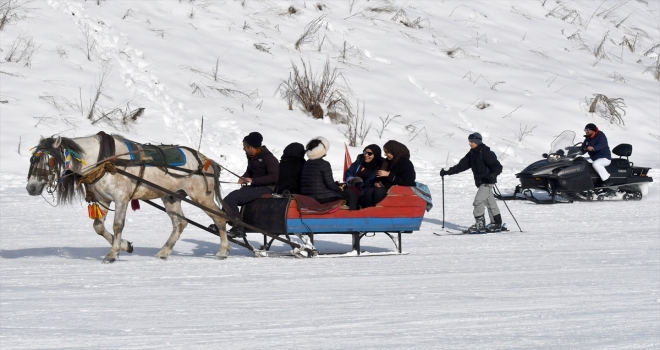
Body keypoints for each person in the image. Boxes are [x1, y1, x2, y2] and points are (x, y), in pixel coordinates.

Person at [440, 132, 503, 233]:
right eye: (469, 141)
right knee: (490, 202)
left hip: (487, 182)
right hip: (480, 182)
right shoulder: (472, 153)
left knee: (478, 201)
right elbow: (462, 165)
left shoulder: (485, 152)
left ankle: (480, 225)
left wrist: (492, 175)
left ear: (477, 141)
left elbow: (497, 166)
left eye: (472, 141)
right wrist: (448, 172)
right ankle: (496, 224)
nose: (470, 143)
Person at [222, 132, 279, 238]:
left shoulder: (269, 158)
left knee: (232, 198)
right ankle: (222, 222)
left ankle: (238, 226)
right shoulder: (252, 156)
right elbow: (250, 171)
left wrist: (253, 180)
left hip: (266, 188)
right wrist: (244, 177)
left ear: (251, 147)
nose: (243, 149)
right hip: (255, 187)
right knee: (228, 199)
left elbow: (274, 177)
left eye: (245, 147)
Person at [299, 136, 353, 206]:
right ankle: (348, 215)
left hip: (307, 196)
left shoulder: (306, 163)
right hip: (321, 198)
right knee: (347, 194)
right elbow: (330, 184)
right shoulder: (324, 164)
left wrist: (336, 184)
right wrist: (339, 188)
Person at [361, 140, 416, 208]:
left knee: (379, 192)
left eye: (387, 152)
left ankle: (382, 213)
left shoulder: (406, 164)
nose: (385, 154)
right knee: (369, 190)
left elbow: (408, 181)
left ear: (394, 151)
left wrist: (389, 175)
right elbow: (378, 176)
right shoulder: (387, 162)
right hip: (387, 187)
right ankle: (367, 212)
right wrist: (377, 182)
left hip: (399, 191)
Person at [343, 144, 385, 209]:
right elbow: (349, 173)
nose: (366, 155)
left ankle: (353, 214)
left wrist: (363, 185)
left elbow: (374, 181)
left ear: (375, 155)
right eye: (365, 152)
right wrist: (355, 181)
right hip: (352, 186)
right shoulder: (359, 161)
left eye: (369, 154)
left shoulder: (379, 167)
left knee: (350, 193)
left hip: (365, 191)